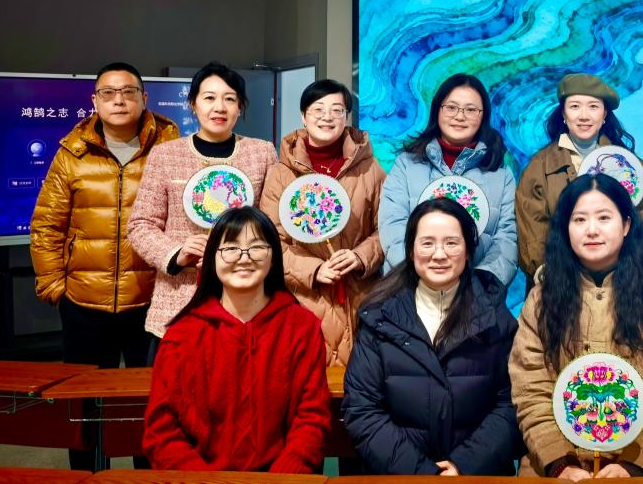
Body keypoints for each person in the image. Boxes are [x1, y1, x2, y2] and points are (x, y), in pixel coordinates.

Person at [29, 61, 179, 470]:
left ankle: (147, 478)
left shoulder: (170, 149)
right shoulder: (72, 154)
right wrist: (55, 286)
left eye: (128, 92)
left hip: (151, 302)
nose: (119, 100)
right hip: (84, 303)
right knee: (83, 407)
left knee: (150, 404)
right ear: (94, 100)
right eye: (109, 93)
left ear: (144, 98)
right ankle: (87, 476)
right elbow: (47, 225)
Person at [509, 173, 643, 478]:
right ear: (566, 229)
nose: (592, 230)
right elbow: (530, 391)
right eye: (579, 219)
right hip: (559, 468)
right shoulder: (541, 301)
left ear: (626, 225)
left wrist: (634, 466)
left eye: (604, 218)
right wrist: (560, 463)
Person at [343, 197, 522, 475]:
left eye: (451, 243)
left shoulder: (495, 318)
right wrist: (423, 474)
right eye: (427, 243)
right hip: (399, 477)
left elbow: (511, 404)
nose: (439, 254)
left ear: (468, 250)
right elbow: (362, 409)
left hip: (475, 476)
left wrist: (464, 465)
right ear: (411, 250)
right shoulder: (379, 317)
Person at [142, 206, 329, 472]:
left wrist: (280, 480)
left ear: (273, 258)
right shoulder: (182, 335)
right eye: (230, 248)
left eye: (256, 247)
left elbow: (311, 419)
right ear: (211, 259)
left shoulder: (302, 328)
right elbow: (162, 432)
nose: (244, 257)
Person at [128, 61, 277, 346]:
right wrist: (176, 253)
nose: (219, 107)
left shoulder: (261, 153)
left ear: (240, 107)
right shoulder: (165, 155)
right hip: (180, 297)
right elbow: (141, 225)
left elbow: (271, 224)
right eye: (209, 98)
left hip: (246, 298)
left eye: (229, 99)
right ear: (193, 104)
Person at [259, 78, 385, 367]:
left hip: (361, 298)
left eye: (337, 110)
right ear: (304, 116)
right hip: (303, 299)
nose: (327, 117)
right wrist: (313, 270)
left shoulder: (371, 169)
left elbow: (387, 230)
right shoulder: (281, 174)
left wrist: (359, 256)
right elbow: (270, 240)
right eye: (318, 109)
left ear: (347, 116)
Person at [516, 73, 643, 284]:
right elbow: (531, 225)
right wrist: (547, 271)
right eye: (575, 106)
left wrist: (632, 257)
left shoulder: (627, 163)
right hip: (560, 281)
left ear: (604, 115)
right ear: (563, 114)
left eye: (593, 107)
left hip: (622, 279)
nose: (584, 116)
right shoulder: (539, 167)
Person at [378, 73, 518, 288]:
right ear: (437, 110)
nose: (459, 116)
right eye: (451, 107)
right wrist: (421, 277)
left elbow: (507, 238)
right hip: (410, 289)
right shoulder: (406, 165)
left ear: (483, 116)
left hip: (475, 296)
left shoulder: (501, 174)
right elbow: (393, 226)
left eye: (470, 110)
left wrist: (480, 287)